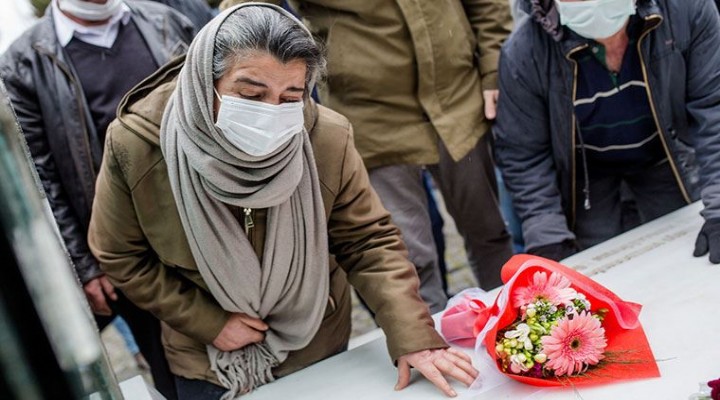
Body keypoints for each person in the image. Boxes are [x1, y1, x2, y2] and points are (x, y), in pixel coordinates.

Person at [87, 4, 479, 399]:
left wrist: (412, 333)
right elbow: (120, 254)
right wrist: (209, 322)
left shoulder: (325, 136)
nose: (269, 113)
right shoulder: (138, 145)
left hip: (316, 343)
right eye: (250, 93)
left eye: (291, 95)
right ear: (205, 80)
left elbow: (367, 241)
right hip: (206, 362)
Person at [220, 0, 515, 314]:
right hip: (372, 120)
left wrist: (494, 65)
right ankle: (430, 351)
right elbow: (243, 15)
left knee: (491, 232)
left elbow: (486, 5)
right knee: (406, 260)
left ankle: (519, 330)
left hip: (460, 101)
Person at [0, 1, 195, 398]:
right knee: (174, 375)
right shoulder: (24, 62)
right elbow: (42, 177)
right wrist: (87, 265)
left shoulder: (163, 20)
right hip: (130, 253)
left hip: (203, 223)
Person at [494, 0, 720, 262]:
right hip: (586, 179)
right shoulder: (524, 52)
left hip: (668, 156)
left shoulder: (686, 10)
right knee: (602, 266)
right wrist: (549, 239)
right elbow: (525, 155)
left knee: (683, 255)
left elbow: (714, 106)